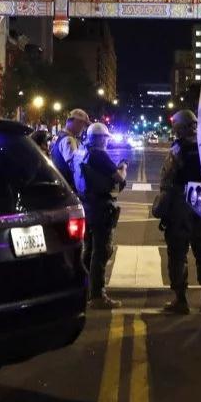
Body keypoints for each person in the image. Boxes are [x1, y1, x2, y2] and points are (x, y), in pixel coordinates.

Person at [158, 109, 201, 314]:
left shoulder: (177, 149)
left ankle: (181, 300)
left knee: (177, 253)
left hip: (181, 205)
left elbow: (167, 178)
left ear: (180, 128)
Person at [73, 121, 127, 309]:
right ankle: (98, 294)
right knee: (101, 250)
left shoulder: (82, 152)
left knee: (88, 249)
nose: (106, 142)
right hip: (100, 206)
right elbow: (119, 179)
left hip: (85, 204)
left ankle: (86, 290)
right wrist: (123, 168)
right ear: (100, 138)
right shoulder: (99, 154)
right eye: (105, 138)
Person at [51, 108, 89, 186]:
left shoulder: (59, 135)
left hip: (60, 181)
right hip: (68, 185)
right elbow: (74, 165)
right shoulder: (68, 139)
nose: (84, 128)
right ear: (76, 122)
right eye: (83, 124)